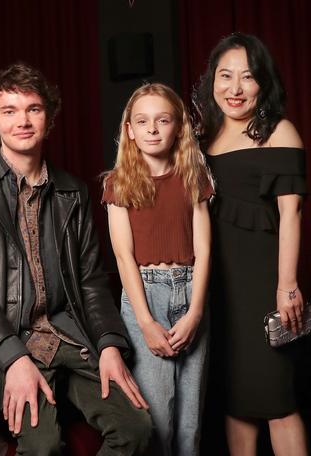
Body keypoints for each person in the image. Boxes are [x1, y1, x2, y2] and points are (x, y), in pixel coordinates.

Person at [0, 62, 152, 456]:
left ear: (49, 119)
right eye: (10, 111)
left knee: (136, 429)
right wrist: (12, 357)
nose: (22, 121)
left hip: (69, 332)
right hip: (10, 338)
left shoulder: (71, 190)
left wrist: (109, 345)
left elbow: (91, 281)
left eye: (33, 109)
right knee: (42, 448)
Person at [194, 32, 308, 455]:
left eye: (247, 76)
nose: (235, 89)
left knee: (277, 400)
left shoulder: (280, 132)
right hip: (216, 285)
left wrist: (287, 287)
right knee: (236, 400)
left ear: (264, 82)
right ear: (212, 82)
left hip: (264, 284)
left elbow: (291, 215)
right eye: (225, 76)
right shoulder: (203, 137)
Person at [101, 83, 213, 456]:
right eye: (142, 121)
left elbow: (204, 247)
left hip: (191, 290)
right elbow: (123, 257)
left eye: (162, 120)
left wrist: (196, 311)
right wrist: (146, 322)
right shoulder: (118, 184)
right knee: (158, 418)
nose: (152, 129)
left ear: (178, 127)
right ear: (129, 129)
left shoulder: (194, 177)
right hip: (144, 296)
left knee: (190, 422)